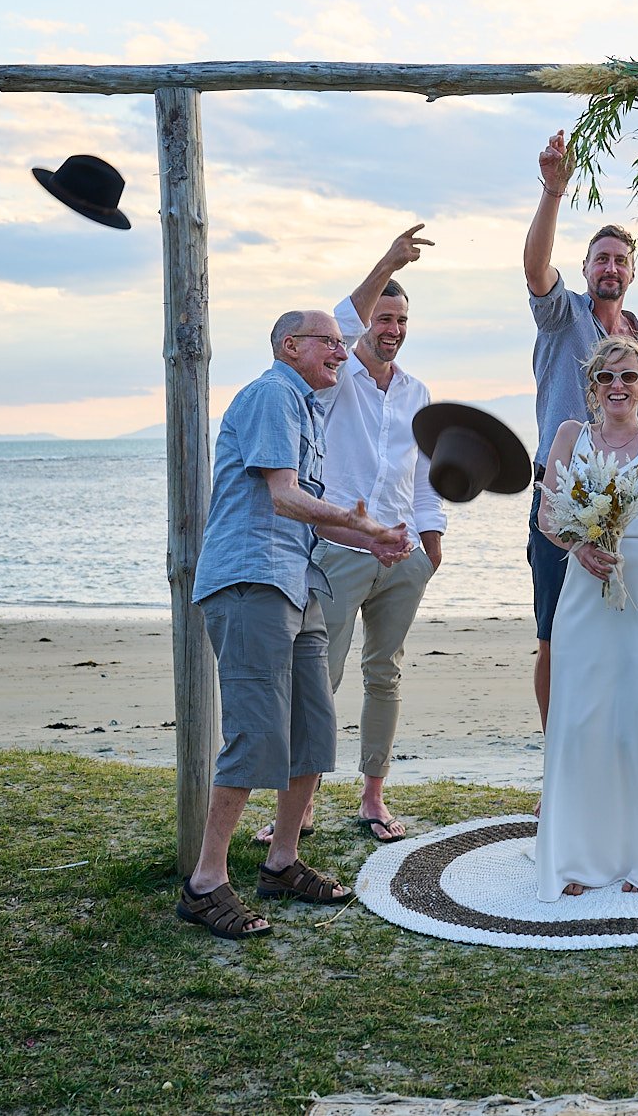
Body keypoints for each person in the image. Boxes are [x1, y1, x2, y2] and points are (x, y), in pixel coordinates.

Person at [176, 309, 410, 941]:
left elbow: (307, 514)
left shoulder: (307, 409)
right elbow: (280, 495)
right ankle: (205, 883)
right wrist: (360, 524)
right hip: (251, 581)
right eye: (330, 342)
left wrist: (378, 539)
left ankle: (281, 863)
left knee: (313, 725)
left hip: (298, 579)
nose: (343, 350)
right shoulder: (273, 395)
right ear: (289, 346)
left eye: (342, 343)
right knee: (256, 733)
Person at [255, 225, 444, 849]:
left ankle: (372, 795)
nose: (392, 329)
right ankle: (297, 807)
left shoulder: (416, 392)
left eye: (401, 320)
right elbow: (342, 316)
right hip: (338, 551)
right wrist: (387, 259)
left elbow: (421, 476)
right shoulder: (334, 383)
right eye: (384, 318)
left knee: (384, 673)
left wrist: (431, 538)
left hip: (403, 557)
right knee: (319, 678)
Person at [532, 336, 638, 899]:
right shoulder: (569, 437)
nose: (617, 387)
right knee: (581, 720)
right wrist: (579, 545)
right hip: (585, 593)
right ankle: (576, 857)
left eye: (628, 377)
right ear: (592, 386)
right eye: (607, 377)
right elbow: (547, 516)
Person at [524, 129, 638, 728]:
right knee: (556, 634)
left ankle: (609, 753)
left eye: (620, 260)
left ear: (632, 272)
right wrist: (554, 191)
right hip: (563, 502)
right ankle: (559, 761)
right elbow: (534, 267)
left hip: (629, 514)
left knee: (620, 635)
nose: (610, 266)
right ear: (584, 269)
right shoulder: (563, 316)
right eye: (600, 258)